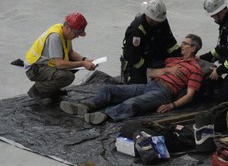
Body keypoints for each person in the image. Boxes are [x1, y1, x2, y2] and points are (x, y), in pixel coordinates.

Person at [60, 34, 204, 125]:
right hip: (150, 85)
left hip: (164, 93)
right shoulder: (173, 60)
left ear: (193, 48)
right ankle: (88, 105)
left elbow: (189, 95)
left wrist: (171, 105)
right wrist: (166, 70)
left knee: (133, 103)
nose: (181, 45)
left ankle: (104, 115)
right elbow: (152, 73)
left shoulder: (195, 69)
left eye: (185, 43)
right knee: (108, 88)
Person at [24, 12, 97, 106]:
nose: (77, 36)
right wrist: (82, 63)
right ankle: (37, 90)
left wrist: (85, 59)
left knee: (74, 65)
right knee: (67, 76)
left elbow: (70, 52)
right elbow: (59, 64)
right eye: (76, 33)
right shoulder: (55, 37)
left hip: (45, 65)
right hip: (34, 69)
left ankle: (52, 89)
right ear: (67, 28)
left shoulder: (64, 32)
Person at [121, 0, 181, 84]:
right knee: (140, 87)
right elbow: (132, 56)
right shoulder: (137, 30)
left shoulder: (161, 21)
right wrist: (150, 65)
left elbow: (170, 42)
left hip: (154, 54)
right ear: (150, 17)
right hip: (139, 60)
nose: (160, 23)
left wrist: (180, 57)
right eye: (157, 21)